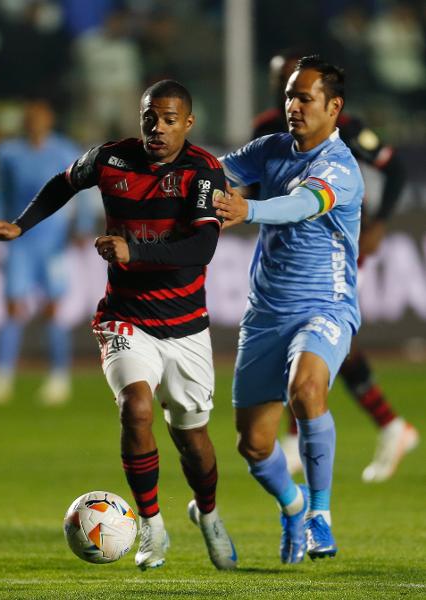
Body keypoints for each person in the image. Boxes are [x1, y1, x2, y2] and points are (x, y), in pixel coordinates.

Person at [0, 80, 237, 572]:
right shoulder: (110, 159)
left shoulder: (203, 172)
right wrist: (20, 224)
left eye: (168, 119)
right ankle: (152, 525)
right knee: (136, 407)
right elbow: (62, 183)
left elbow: (202, 248)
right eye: (149, 117)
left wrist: (132, 251)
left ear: (188, 123)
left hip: (185, 325)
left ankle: (208, 513)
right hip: (125, 317)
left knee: (193, 440)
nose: (157, 127)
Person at [214, 56, 363, 562]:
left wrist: (248, 209)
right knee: (254, 445)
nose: (292, 106)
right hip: (266, 312)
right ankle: (294, 506)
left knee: (307, 387)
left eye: (304, 97)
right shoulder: (270, 149)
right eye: (289, 96)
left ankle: (321, 515)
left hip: (326, 304)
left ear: (333, 107)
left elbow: (302, 205)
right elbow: (212, 175)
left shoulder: (340, 168)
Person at [253, 49, 419, 483]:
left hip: (332, 246)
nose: (286, 90)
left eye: (294, 82)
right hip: (289, 253)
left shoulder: (345, 130)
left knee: (318, 330)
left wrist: (379, 224)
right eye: (280, 82)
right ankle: (389, 425)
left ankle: (299, 437)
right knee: (324, 340)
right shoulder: (266, 131)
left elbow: (395, 168)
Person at [0, 99, 95, 405]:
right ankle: (3, 377)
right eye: (30, 118)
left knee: (54, 308)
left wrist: (84, 226)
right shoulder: (8, 153)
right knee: (12, 307)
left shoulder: (65, 150)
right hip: (20, 242)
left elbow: (81, 191)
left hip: (52, 242)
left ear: (49, 120)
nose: (35, 123)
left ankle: (59, 377)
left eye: (40, 118)